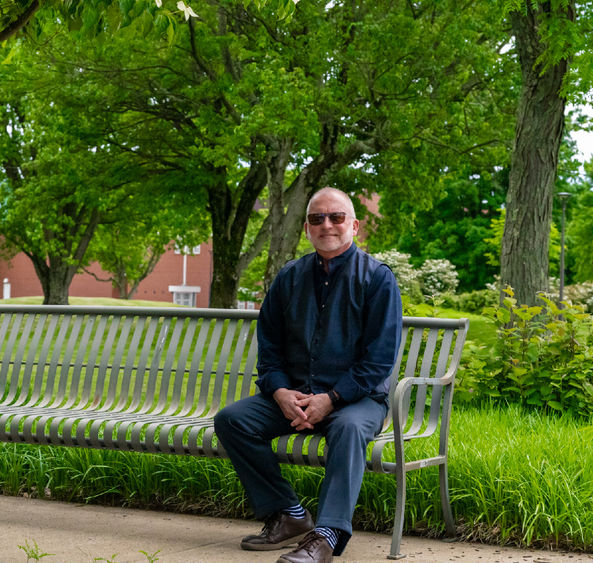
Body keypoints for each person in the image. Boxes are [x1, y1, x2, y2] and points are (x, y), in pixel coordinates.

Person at [214, 187, 402, 563]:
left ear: (355, 225)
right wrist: (280, 391)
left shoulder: (377, 279)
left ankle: (327, 536)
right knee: (233, 421)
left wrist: (330, 399)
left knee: (348, 429)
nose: (327, 225)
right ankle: (288, 515)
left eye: (336, 217)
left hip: (358, 400)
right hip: (295, 398)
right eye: (317, 219)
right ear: (306, 228)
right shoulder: (289, 278)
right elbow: (269, 348)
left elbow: (379, 361)